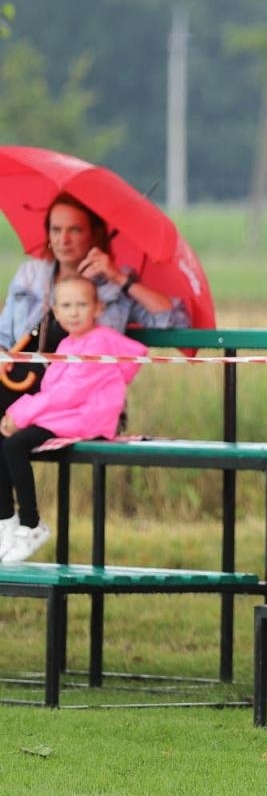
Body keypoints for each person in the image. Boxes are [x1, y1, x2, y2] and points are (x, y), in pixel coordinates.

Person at [0, 277, 148, 562]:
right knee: (2, 440)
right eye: (66, 306)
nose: (74, 312)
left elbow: (69, 392)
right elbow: (54, 391)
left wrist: (20, 413)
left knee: (14, 446)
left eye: (82, 305)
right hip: (66, 414)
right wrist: (20, 414)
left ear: (98, 308)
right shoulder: (68, 343)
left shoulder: (100, 342)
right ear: (54, 311)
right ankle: (6, 520)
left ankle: (31, 523)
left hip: (85, 417)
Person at [1, 194, 186, 413]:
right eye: (56, 230)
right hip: (20, 385)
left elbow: (173, 318)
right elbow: (3, 336)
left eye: (75, 230)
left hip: (80, 401)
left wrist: (119, 279)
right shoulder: (30, 275)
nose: (63, 240)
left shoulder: (114, 284)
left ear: (94, 235)